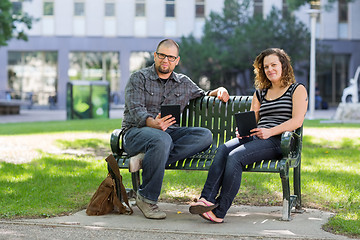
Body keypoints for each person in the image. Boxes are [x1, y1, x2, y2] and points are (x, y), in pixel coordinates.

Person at [189, 48, 308, 223]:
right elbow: (254, 119)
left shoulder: (297, 89)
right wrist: (245, 131)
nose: (270, 69)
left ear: (283, 65)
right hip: (258, 137)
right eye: (266, 66)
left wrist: (270, 131)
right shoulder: (260, 93)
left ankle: (219, 212)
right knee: (223, 149)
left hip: (280, 141)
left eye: (274, 65)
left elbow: (297, 121)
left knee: (236, 157)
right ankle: (206, 199)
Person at [122, 39, 230, 219]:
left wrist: (219, 90)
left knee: (204, 135)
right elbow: (135, 111)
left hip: (168, 134)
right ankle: (147, 199)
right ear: (155, 56)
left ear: (177, 60)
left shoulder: (183, 82)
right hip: (136, 133)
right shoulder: (138, 78)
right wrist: (152, 123)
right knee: (161, 139)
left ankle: (149, 158)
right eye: (162, 55)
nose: (166, 60)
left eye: (171, 57)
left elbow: (202, 95)